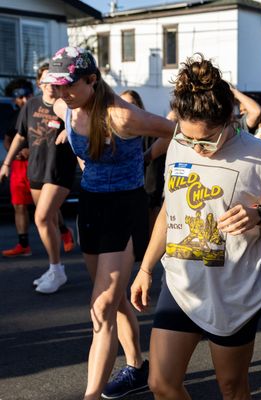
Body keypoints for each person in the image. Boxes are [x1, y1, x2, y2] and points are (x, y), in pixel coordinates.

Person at [129, 54, 261, 400]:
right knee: (161, 383)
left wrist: (259, 215)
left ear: (229, 120)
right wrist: (145, 267)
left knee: (232, 388)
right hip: (181, 284)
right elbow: (167, 210)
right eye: (189, 139)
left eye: (205, 140)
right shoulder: (177, 145)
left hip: (235, 292)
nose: (196, 149)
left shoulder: (258, 155)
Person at [43, 46, 175, 399]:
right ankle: (136, 367)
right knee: (113, 302)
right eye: (58, 85)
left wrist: (147, 157)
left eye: (68, 85)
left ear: (92, 79)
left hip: (123, 207)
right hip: (90, 206)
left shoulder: (121, 116)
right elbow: (50, 96)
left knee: (100, 306)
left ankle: (91, 395)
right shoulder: (64, 106)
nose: (61, 93)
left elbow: (174, 130)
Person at [0, 63, 78, 294]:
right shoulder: (31, 105)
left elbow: (82, 127)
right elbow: (20, 136)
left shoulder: (67, 106)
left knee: (41, 218)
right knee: (49, 221)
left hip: (58, 171)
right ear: (40, 83)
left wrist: (69, 130)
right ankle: (54, 268)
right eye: (46, 81)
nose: (51, 86)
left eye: (55, 82)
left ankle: (57, 269)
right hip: (35, 170)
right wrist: (6, 163)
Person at [121, 90, 166, 234]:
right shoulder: (117, 130)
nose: (127, 107)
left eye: (131, 103)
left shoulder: (149, 128)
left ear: (138, 105)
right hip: (127, 185)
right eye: (124, 104)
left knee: (152, 206)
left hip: (149, 177)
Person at [1, 79, 34, 257]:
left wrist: (32, 150)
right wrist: (15, 153)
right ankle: (23, 245)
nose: (23, 100)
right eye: (19, 97)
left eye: (25, 96)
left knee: (45, 206)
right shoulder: (15, 116)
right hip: (18, 167)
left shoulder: (40, 111)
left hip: (37, 165)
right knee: (19, 206)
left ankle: (63, 231)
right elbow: (8, 139)